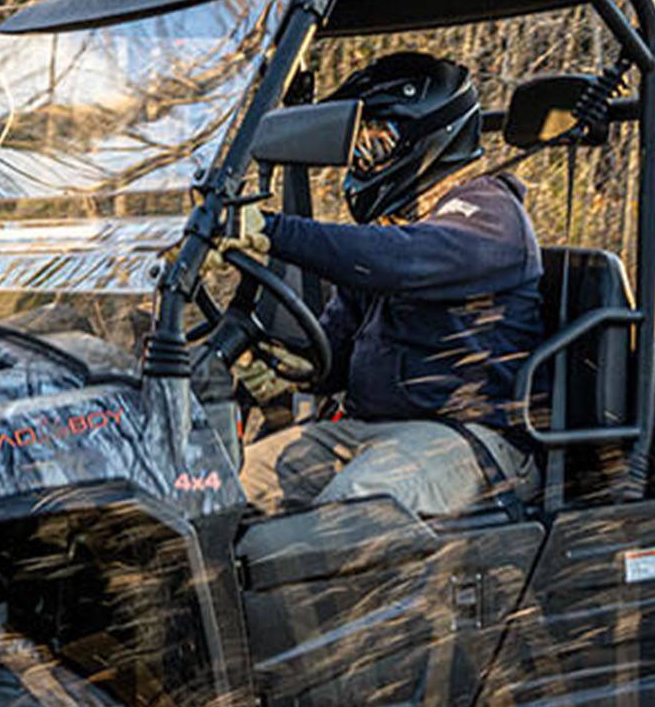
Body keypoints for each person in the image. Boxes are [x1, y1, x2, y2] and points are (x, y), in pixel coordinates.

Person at [228, 52, 544, 519]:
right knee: (223, 490)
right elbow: (336, 343)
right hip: (364, 432)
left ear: (426, 136)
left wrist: (272, 230)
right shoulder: (394, 233)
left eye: (375, 140)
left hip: (467, 439)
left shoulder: (489, 212)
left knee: (350, 517)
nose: (360, 156)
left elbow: (403, 258)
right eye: (356, 143)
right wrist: (290, 368)